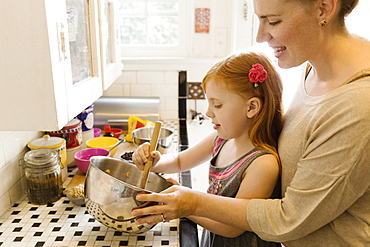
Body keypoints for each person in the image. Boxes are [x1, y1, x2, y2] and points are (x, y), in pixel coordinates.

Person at [132, 0, 370, 246]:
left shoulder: (359, 105)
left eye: (274, 21)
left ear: (323, 8)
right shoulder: (313, 68)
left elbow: (289, 218)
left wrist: (192, 203)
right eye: (259, 19)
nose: (259, 35)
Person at [133, 51, 284, 247]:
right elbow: (180, 161)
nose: (208, 112)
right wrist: (155, 161)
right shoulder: (221, 139)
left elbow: (232, 228)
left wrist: (185, 205)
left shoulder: (263, 164)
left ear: (251, 107)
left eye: (218, 105)